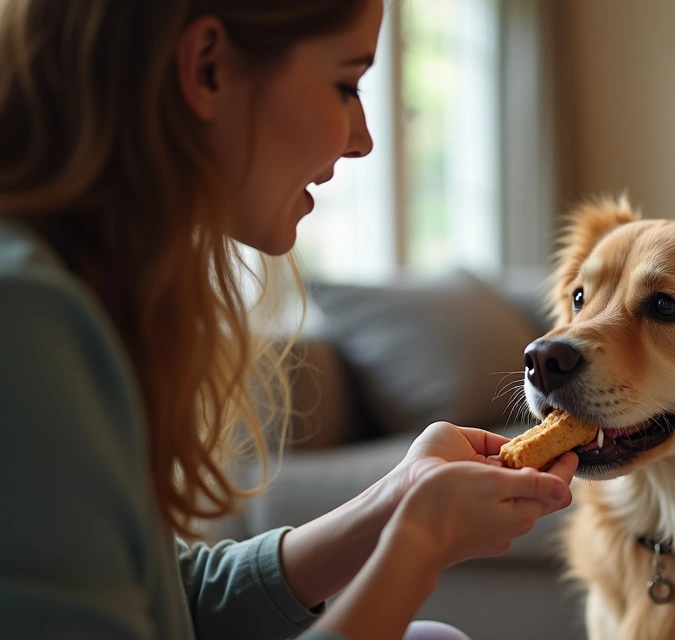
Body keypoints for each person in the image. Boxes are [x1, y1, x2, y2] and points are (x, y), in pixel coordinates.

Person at [0, 1, 578, 639]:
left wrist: (396, 499)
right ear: (208, 68)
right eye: (346, 85)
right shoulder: (26, 320)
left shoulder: (84, 291)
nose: (363, 140)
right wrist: (419, 543)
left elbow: (169, 599)